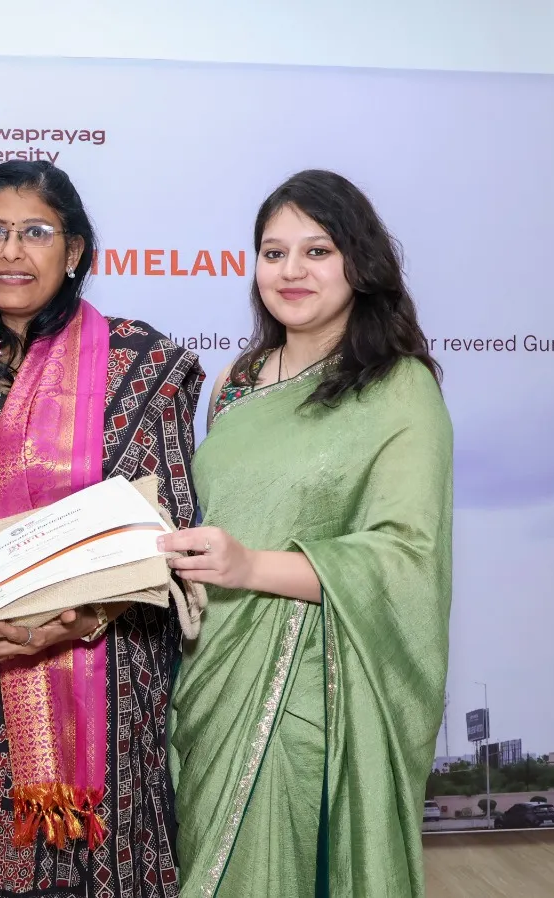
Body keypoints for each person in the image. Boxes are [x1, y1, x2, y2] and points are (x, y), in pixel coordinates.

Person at [0, 160, 205, 898]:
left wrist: (73, 621)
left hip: (95, 673)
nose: (12, 252)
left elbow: (166, 532)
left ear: (75, 251)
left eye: (36, 232)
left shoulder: (139, 363)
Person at [161, 169, 453, 896]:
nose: (291, 270)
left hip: (309, 692)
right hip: (212, 671)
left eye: (317, 251)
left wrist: (250, 568)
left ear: (360, 263)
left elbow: (405, 556)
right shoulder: (235, 381)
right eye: (274, 252)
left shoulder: (398, 388)